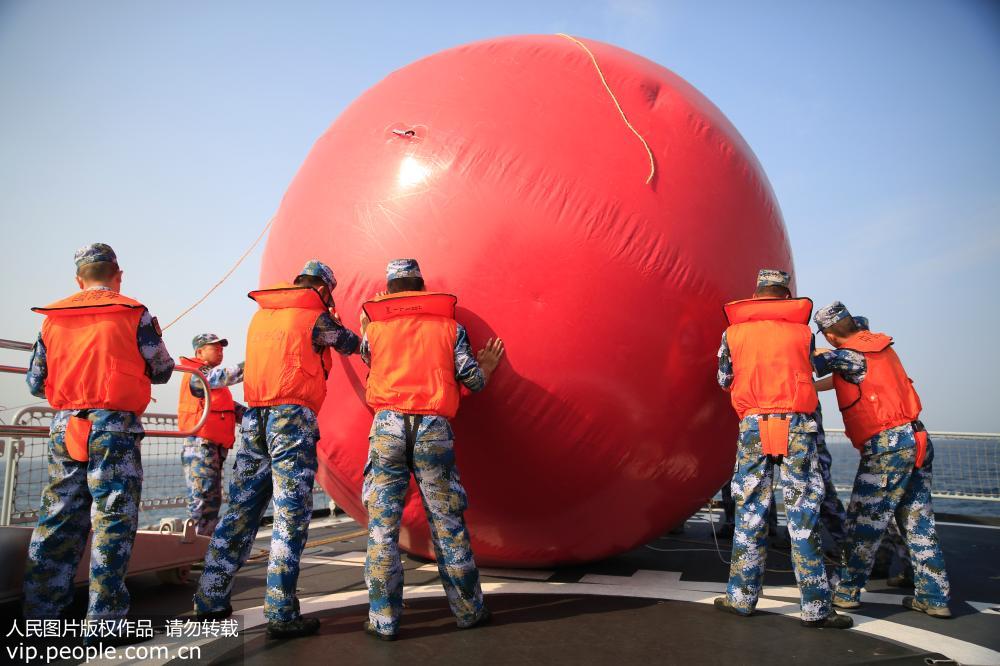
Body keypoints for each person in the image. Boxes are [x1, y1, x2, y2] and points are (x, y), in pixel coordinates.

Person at [193, 260, 361, 639]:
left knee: (239, 511)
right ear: (322, 289)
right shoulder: (313, 316)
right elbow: (350, 344)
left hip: (254, 419)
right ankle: (282, 612)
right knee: (290, 513)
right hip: (291, 420)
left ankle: (210, 598)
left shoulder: (264, 316)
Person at [23, 243, 174, 629]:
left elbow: (36, 383)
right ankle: (105, 621)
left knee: (57, 519)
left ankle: (41, 615)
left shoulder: (51, 319)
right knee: (112, 521)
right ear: (117, 274)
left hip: (66, 425)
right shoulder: (133, 312)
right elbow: (161, 369)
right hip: (113, 428)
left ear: (78, 279)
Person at [358, 259, 504, 640]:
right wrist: (486, 367)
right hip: (432, 428)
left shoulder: (375, 330)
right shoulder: (450, 328)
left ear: (389, 291)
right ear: (423, 289)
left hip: (388, 426)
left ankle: (384, 620)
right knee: (447, 522)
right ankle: (469, 611)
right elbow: (472, 378)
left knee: (382, 528)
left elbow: (369, 359)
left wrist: (368, 327)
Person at [713, 269, 851, 628]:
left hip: (755, 425)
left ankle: (741, 598)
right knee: (804, 513)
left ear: (756, 295)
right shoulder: (803, 333)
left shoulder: (733, 333)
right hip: (798, 426)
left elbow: (724, 379)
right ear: (786, 296)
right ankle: (817, 608)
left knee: (750, 510)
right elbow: (814, 367)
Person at [813, 301, 950, 618]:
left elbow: (817, 362)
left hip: (887, 446)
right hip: (917, 440)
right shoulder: (878, 349)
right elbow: (843, 377)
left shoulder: (848, 355)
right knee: (917, 521)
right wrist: (813, 386)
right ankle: (934, 597)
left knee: (863, 521)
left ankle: (846, 591)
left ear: (831, 335)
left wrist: (809, 350)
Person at [177, 333, 245, 537]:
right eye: (215, 348)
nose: (220, 351)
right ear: (199, 352)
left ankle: (204, 544)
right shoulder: (197, 375)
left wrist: (254, 416)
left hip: (213, 446)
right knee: (201, 498)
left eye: (221, 348)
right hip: (200, 445)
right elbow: (216, 378)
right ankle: (194, 545)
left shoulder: (211, 381)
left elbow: (227, 407)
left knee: (212, 499)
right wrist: (251, 364)